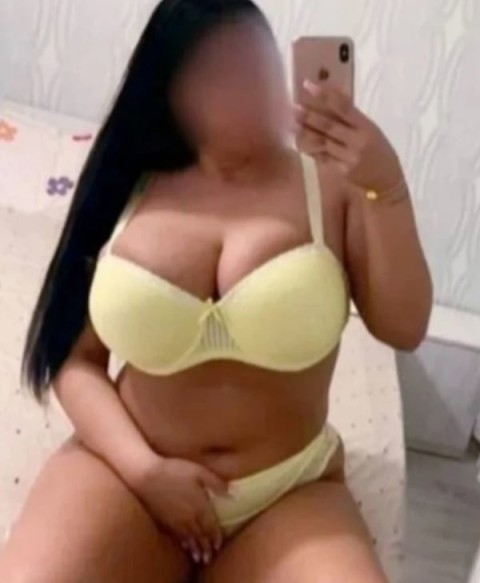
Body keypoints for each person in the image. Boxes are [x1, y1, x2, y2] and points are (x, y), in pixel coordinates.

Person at [0, 1, 432, 581]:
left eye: (257, 68)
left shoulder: (335, 184)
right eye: (218, 74)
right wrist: (146, 472)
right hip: (131, 478)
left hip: (286, 495)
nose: (247, 92)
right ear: (171, 87)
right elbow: (75, 362)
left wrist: (388, 186)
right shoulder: (128, 180)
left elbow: (404, 327)